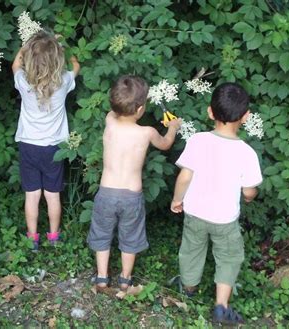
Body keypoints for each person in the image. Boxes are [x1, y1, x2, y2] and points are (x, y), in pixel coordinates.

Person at [170, 82, 262, 324]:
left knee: (191, 249)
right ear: (246, 117)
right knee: (229, 257)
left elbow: (185, 176)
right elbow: (250, 190)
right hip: (225, 219)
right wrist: (249, 197)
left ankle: (188, 288)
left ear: (210, 112)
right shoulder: (247, 152)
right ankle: (221, 306)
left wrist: (177, 200)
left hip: (196, 213)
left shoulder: (198, 141)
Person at [87, 75, 182, 291]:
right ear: (140, 110)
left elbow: (114, 111)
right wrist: (173, 127)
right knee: (130, 236)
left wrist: (122, 99)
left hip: (106, 193)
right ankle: (125, 278)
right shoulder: (146, 133)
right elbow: (166, 144)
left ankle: (102, 277)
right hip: (131, 195)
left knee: (102, 233)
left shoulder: (109, 123)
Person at [12, 31, 80, 251]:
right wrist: (63, 45)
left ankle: (32, 238)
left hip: (29, 146)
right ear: (56, 60)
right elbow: (76, 66)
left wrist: (26, 46)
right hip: (54, 149)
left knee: (31, 196)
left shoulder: (24, 82)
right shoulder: (63, 83)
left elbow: (15, 64)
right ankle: (54, 237)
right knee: (53, 196)